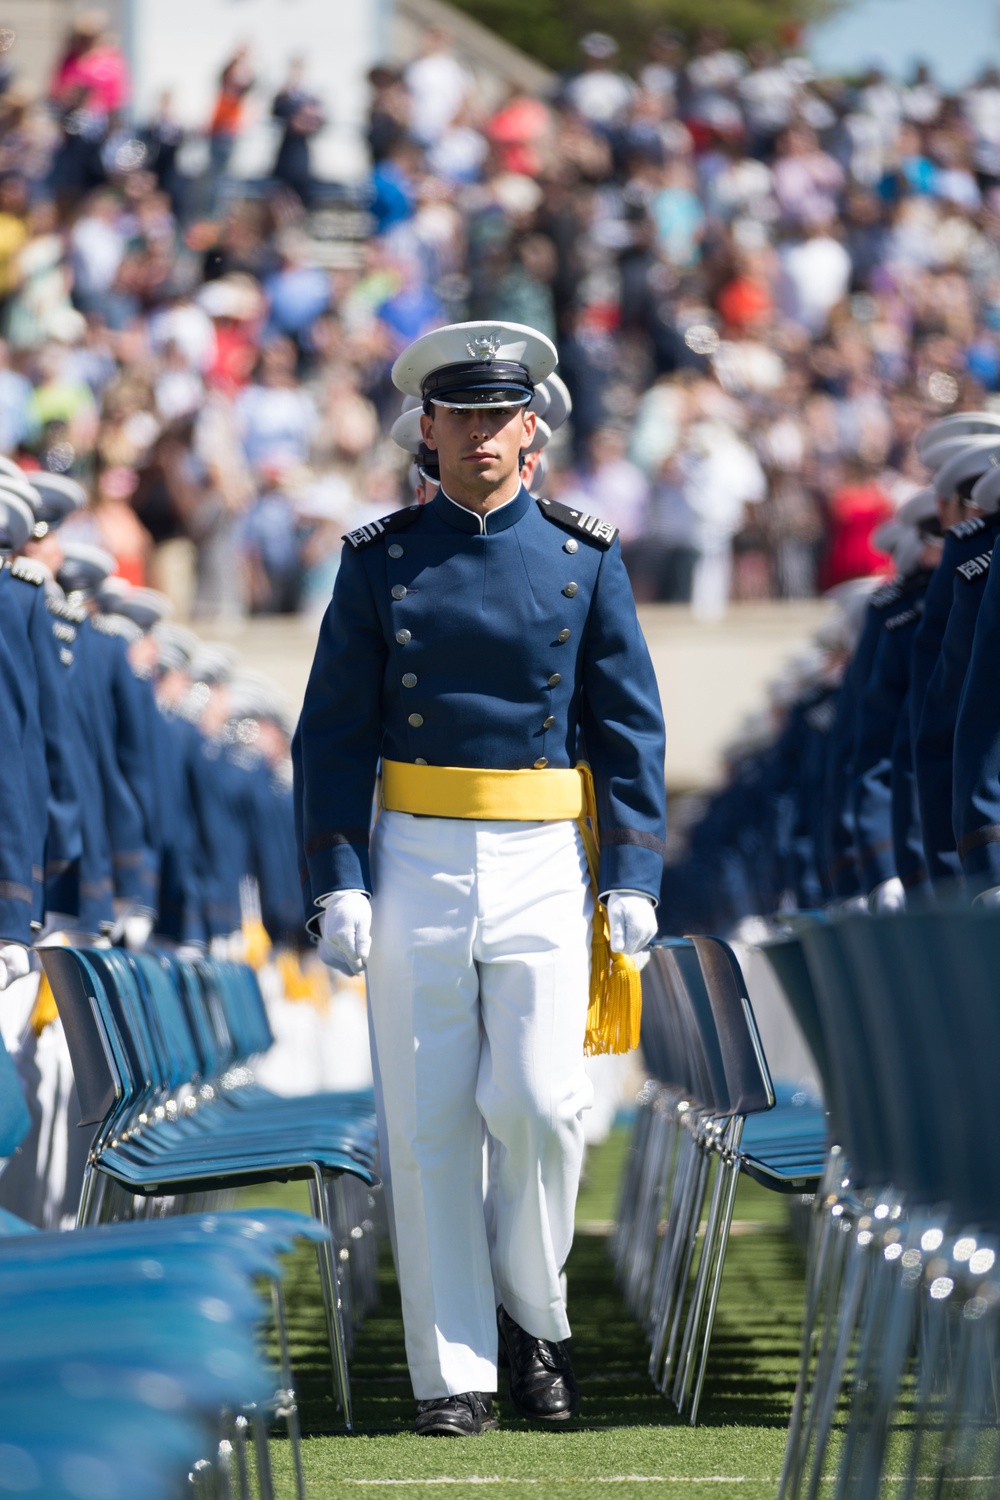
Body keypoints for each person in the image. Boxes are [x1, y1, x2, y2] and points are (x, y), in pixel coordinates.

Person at [295, 320, 666, 1436]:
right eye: (458, 416)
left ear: (532, 430)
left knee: (545, 1108)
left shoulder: (582, 555)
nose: (479, 436)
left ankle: (534, 1320)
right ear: (427, 431)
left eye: (497, 416)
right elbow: (331, 737)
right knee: (428, 1126)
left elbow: (628, 728)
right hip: (413, 854)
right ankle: (453, 1373)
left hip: (545, 858)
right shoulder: (377, 562)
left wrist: (634, 869)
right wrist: (338, 877)